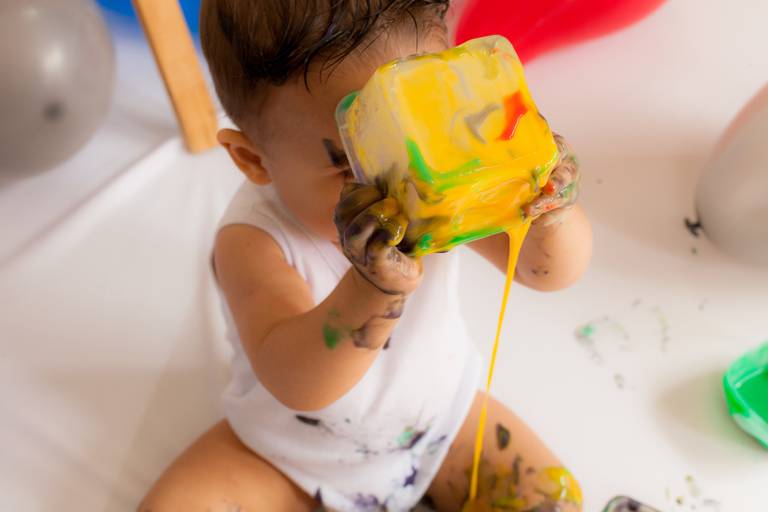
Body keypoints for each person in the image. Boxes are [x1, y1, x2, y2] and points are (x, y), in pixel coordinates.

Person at [140, 1, 592, 510]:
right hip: (288, 455)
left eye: (417, 139)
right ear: (253, 158)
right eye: (349, 165)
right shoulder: (252, 239)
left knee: (552, 499)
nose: (397, 183)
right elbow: (295, 382)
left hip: (442, 425)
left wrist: (548, 212)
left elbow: (545, 272)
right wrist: (372, 292)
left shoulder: (439, 183)